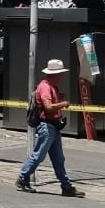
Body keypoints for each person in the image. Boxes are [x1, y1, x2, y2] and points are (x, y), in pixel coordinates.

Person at [16, 58, 85, 197]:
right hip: (47, 127)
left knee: (58, 159)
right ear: (55, 74)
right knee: (39, 156)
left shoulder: (51, 86)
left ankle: (66, 186)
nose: (62, 76)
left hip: (53, 126)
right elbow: (48, 107)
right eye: (61, 73)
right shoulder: (45, 87)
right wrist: (63, 104)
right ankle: (23, 178)